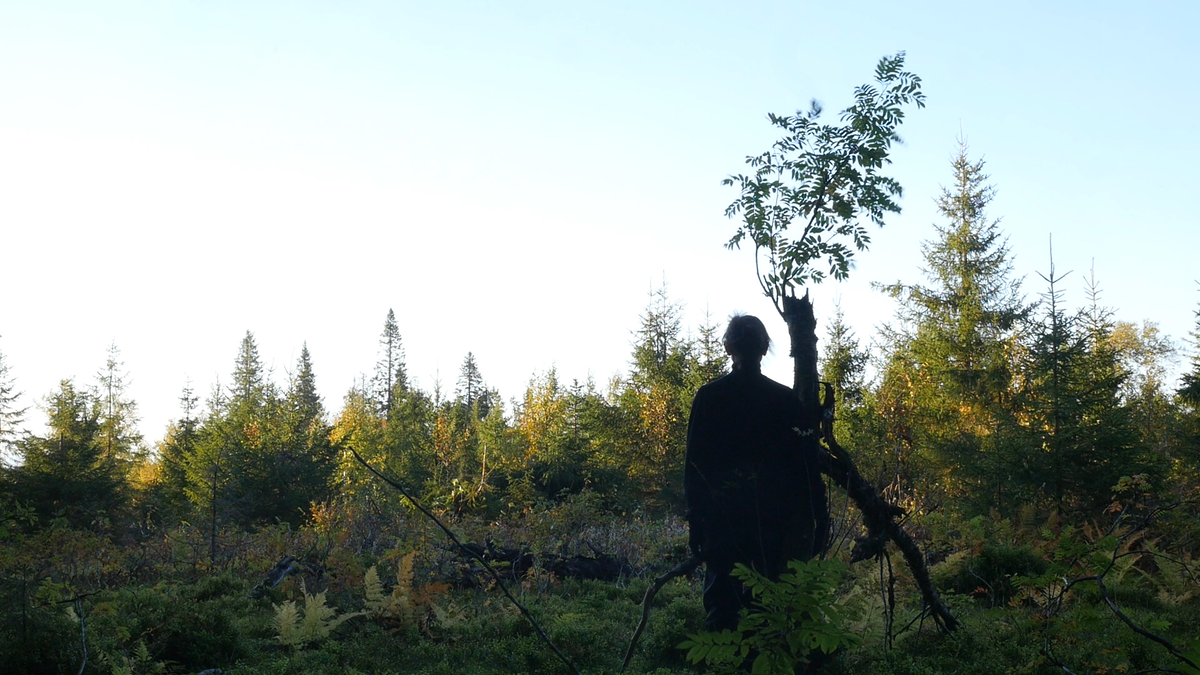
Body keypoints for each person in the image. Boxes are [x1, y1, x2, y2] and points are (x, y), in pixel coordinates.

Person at [684, 314, 829, 631]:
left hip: (723, 524)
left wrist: (696, 523)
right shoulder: (785, 400)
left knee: (723, 612)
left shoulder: (710, 397)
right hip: (774, 525)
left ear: (727, 347)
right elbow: (807, 468)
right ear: (764, 348)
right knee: (772, 610)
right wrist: (820, 518)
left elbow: (695, 468)